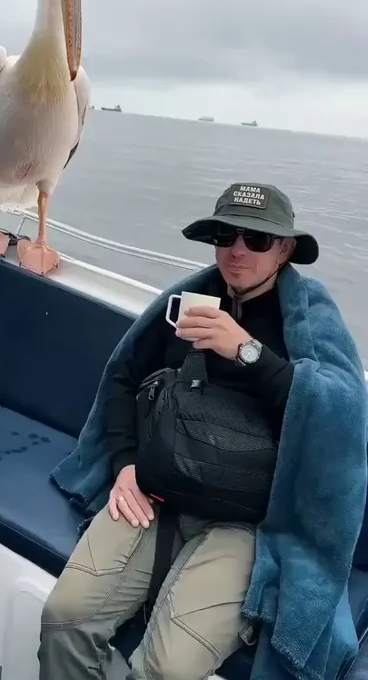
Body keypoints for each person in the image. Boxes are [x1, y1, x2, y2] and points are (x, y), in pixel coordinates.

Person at [39, 182, 367, 680]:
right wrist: (124, 463)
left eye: (257, 239)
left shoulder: (309, 319)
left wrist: (249, 352)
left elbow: (341, 418)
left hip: (245, 521)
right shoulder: (188, 300)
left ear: (284, 250)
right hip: (156, 494)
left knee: (168, 668)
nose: (238, 250)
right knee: (63, 617)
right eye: (226, 235)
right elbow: (125, 377)